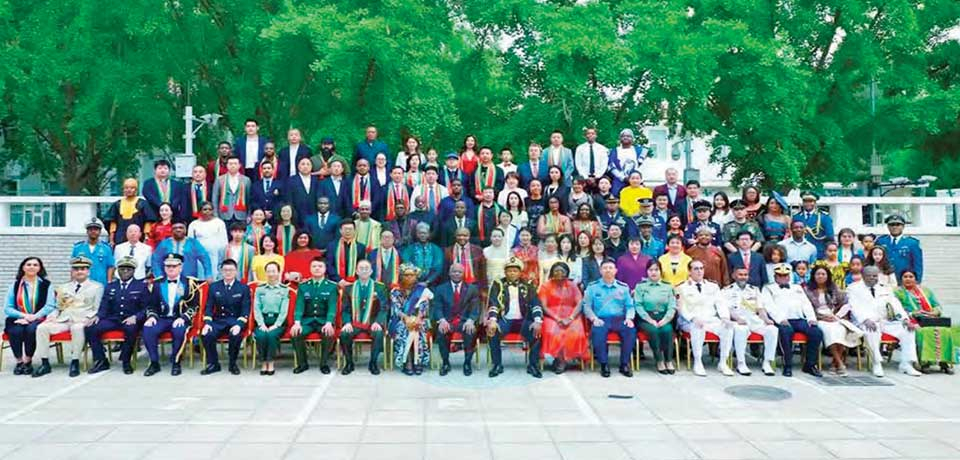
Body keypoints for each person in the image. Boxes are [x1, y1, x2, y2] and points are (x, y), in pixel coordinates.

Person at [32, 257, 104, 378]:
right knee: (42, 328)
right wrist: (52, 315)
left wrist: (91, 317)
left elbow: (97, 307)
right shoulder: (63, 287)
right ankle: (44, 363)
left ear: (88, 271)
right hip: (64, 319)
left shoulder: (97, 287)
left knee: (77, 328)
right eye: (76, 269)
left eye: (83, 269)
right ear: (72, 271)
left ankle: (75, 361)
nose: (79, 271)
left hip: (82, 319)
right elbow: (58, 307)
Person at [847, 266, 922, 377]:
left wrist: (905, 319)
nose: (873, 278)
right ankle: (876, 363)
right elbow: (854, 306)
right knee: (871, 330)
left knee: (908, 329)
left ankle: (907, 364)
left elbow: (896, 304)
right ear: (863, 276)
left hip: (884, 320)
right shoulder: (853, 288)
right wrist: (865, 319)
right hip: (865, 321)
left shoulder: (884, 288)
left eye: (875, 276)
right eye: (869, 276)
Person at [86, 256, 148, 375]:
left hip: (131, 319)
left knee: (131, 330)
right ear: (117, 270)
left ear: (133, 271)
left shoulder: (141, 286)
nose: (125, 271)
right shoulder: (111, 286)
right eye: (122, 269)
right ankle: (101, 360)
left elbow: (146, 308)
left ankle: (126, 361)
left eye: (128, 269)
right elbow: (104, 305)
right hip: (113, 319)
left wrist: (136, 317)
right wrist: (97, 316)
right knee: (90, 328)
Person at [142, 253, 201, 377]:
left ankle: (176, 361)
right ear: (164, 268)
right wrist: (151, 316)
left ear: (181, 267)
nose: (171, 268)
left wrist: (183, 318)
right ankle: (154, 363)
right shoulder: (156, 284)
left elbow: (194, 305)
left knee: (179, 330)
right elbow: (151, 305)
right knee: (148, 329)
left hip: (179, 318)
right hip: (162, 318)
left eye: (174, 266)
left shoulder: (189, 283)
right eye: (168, 266)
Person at [761, 263, 823, 377]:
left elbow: (806, 304)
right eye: (780, 275)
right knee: (785, 333)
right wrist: (780, 319)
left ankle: (810, 365)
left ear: (789, 276)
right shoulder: (768, 288)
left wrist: (811, 319)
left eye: (785, 275)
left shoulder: (797, 288)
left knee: (816, 332)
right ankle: (787, 365)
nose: (783, 277)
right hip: (782, 320)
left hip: (799, 319)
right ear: (775, 276)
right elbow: (769, 306)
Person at [485, 257, 543, 378]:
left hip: (523, 320)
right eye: (509, 270)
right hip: (505, 320)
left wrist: (537, 321)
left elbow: (535, 303)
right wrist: (493, 321)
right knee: (492, 332)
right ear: (505, 272)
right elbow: (493, 303)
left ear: (520, 272)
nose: (512, 273)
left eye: (515, 271)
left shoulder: (528, 284)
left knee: (536, 332)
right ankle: (497, 364)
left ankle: (533, 365)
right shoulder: (498, 284)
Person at [677, 260, 735, 377]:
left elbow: (720, 303)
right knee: (698, 327)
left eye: (701, 268)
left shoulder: (713, 286)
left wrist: (724, 317)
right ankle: (698, 362)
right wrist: (693, 318)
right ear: (689, 271)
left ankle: (723, 362)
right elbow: (681, 308)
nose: (699, 271)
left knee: (727, 327)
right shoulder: (682, 287)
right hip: (690, 321)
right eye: (696, 269)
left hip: (711, 319)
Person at [895, 269, 956, 374]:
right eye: (905, 277)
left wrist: (935, 312)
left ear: (916, 279)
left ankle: (944, 362)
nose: (908, 279)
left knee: (945, 331)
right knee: (923, 332)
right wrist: (914, 312)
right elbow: (897, 308)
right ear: (901, 279)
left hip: (930, 319)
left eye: (911, 276)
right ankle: (925, 362)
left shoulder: (926, 291)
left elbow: (936, 305)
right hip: (911, 320)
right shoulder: (898, 292)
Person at [806, 265, 863, 377]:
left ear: (828, 276)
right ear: (813, 276)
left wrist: (836, 316)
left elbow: (846, 304)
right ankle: (840, 363)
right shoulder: (807, 290)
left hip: (834, 316)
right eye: (818, 274)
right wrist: (822, 318)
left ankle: (834, 362)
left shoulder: (834, 288)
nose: (821, 276)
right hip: (819, 318)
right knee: (830, 332)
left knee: (841, 330)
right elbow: (807, 309)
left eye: (823, 274)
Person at [721, 267, 779, 376]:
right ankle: (741, 363)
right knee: (741, 330)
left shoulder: (754, 289)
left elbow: (760, 308)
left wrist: (766, 319)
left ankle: (767, 362)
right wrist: (737, 319)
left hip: (753, 319)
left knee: (772, 329)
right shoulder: (726, 290)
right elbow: (726, 309)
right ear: (734, 276)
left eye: (745, 275)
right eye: (740, 274)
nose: (743, 277)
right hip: (737, 320)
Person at [4, 257, 56, 375]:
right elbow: (8, 308)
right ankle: (19, 362)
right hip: (18, 318)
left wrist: (34, 317)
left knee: (31, 329)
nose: (32, 267)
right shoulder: (15, 285)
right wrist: (24, 316)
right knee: (15, 331)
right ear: (23, 267)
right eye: (28, 264)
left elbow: (50, 305)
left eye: (35, 265)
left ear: (39, 268)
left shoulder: (46, 285)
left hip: (38, 317)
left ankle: (27, 361)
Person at [200, 259, 251, 376]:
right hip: (218, 320)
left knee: (236, 335)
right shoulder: (214, 287)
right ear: (221, 271)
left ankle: (232, 363)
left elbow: (245, 309)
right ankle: (213, 363)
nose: (228, 273)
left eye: (231, 270)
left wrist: (239, 324)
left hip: (235, 320)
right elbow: (208, 307)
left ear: (236, 271)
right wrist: (207, 323)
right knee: (207, 335)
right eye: (225, 270)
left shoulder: (243, 288)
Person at [338, 260, 389, 375]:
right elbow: (345, 309)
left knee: (379, 333)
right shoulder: (349, 288)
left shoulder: (380, 288)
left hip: (372, 322)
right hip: (355, 322)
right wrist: (347, 323)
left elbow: (384, 308)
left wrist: (378, 322)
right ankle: (349, 363)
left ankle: (373, 363)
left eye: (367, 268)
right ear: (356, 271)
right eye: (361, 268)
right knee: (344, 334)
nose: (364, 270)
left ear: (371, 271)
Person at [291, 258, 339, 374]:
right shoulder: (303, 286)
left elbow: (332, 306)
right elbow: (299, 306)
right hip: (307, 321)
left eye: (320, 266)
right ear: (310, 269)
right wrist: (297, 323)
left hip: (323, 320)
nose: (317, 268)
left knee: (328, 333)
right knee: (296, 333)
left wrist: (329, 322)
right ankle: (302, 364)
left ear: (325, 269)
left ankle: (324, 364)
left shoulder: (332, 286)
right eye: (314, 266)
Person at [432, 264, 481, 376]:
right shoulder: (440, 289)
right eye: (454, 271)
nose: (456, 274)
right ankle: (445, 362)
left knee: (470, 331)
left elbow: (475, 308)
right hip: (447, 321)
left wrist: (471, 320)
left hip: (464, 321)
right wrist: (442, 320)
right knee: (441, 331)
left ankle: (467, 363)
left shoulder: (472, 289)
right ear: (449, 273)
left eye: (459, 272)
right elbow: (437, 308)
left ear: (463, 274)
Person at [538, 261, 587, 373]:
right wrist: (557, 318)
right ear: (552, 273)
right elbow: (544, 306)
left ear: (567, 273)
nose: (559, 273)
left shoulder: (572, 285)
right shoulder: (546, 286)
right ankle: (560, 360)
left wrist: (570, 318)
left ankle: (568, 357)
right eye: (556, 271)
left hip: (571, 315)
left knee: (575, 331)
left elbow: (580, 303)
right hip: (551, 316)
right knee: (554, 331)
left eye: (562, 271)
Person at [634, 260, 677, 374]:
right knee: (653, 330)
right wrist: (649, 319)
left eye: (656, 270)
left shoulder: (667, 287)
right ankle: (659, 360)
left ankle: (668, 360)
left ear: (661, 272)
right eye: (651, 270)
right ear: (647, 272)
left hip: (663, 317)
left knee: (667, 330)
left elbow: (672, 306)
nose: (653, 272)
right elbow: (638, 305)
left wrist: (665, 320)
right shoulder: (640, 286)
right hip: (645, 317)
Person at [390, 263, 434, 375]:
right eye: (406, 275)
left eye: (412, 275)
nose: (409, 277)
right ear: (401, 276)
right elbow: (396, 309)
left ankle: (417, 360)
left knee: (419, 328)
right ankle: (407, 360)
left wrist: (417, 319)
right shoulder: (395, 291)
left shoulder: (422, 290)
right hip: (400, 319)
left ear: (416, 276)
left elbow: (423, 308)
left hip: (419, 319)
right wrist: (407, 319)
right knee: (404, 329)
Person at [107, 178, 156, 245]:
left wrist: (146, 238)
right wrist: (111, 239)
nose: (129, 190)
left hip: (138, 238)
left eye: (132, 188)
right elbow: (113, 223)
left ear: (136, 190)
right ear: (123, 190)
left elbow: (148, 222)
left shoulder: (143, 204)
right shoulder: (117, 204)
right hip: (120, 238)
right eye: (126, 188)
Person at [875, 214, 923, 282]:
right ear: (888, 226)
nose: (894, 227)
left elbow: (918, 265)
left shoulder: (912, 243)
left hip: (905, 280)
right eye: (892, 224)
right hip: (885, 279)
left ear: (903, 226)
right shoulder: (881, 241)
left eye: (898, 225)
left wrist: (917, 281)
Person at [188, 201, 228, 278]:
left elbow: (224, 241)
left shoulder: (219, 223)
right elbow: (190, 242)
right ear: (200, 211)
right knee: (201, 276)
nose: (207, 211)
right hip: (200, 257)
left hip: (216, 255)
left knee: (215, 275)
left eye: (210, 209)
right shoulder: (193, 224)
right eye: (205, 209)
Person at [72, 218, 115, 286]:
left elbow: (110, 266)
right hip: (82, 284)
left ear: (100, 232)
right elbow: (73, 267)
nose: (93, 231)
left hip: (101, 284)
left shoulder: (106, 248)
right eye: (90, 229)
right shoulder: (78, 248)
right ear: (87, 231)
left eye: (96, 229)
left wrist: (109, 282)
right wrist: (73, 283)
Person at [792, 191, 834, 259]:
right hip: (800, 253)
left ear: (815, 202)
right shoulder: (796, 217)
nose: (808, 203)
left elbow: (830, 238)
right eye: (805, 201)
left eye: (811, 201)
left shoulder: (824, 217)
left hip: (818, 253)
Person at [326, 219, 367, 286]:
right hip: (335, 282)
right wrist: (339, 280)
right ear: (340, 230)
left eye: (350, 229)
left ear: (354, 230)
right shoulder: (332, 246)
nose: (348, 231)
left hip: (354, 282)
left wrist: (354, 280)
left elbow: (362, 266)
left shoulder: (360, 247)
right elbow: (329, 265)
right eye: (345, 229)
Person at [608, 128, 648, 194]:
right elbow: (611, 167)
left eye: (628, 136)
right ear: (620, 138)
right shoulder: (614, 151)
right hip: (619, 182)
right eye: (623, 136)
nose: (625, 138)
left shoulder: (640, 151)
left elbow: (642, 167)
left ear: (632, 139)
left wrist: (636, 179)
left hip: (636, 181)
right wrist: (623, 178)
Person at [289, 157, 323, 226]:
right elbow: (289, 199)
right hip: (297, 215)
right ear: (298, 166)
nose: (305, 166)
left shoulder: (317, 180)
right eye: (303, 164)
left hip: (314, 215)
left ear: (311, 167)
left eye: (308, 164)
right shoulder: (291, 180)